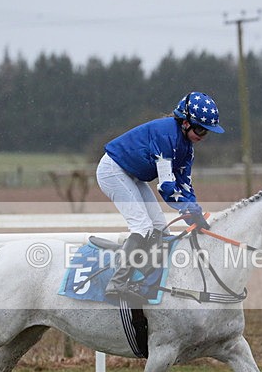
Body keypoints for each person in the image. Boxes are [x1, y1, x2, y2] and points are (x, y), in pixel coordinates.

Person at [96, 91, 225, 303]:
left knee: (160, 228)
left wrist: (195, 213)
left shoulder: (187, 149)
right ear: (185, 123)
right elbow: (166, 187)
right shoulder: (167, 136)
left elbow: (185, 186)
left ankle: (145, 280)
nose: (202, 136)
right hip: (113, 171)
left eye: (207, 132)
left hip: (133, 175)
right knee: (143, 227)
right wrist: (187, 211)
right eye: (200, 129)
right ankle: (117, 283)